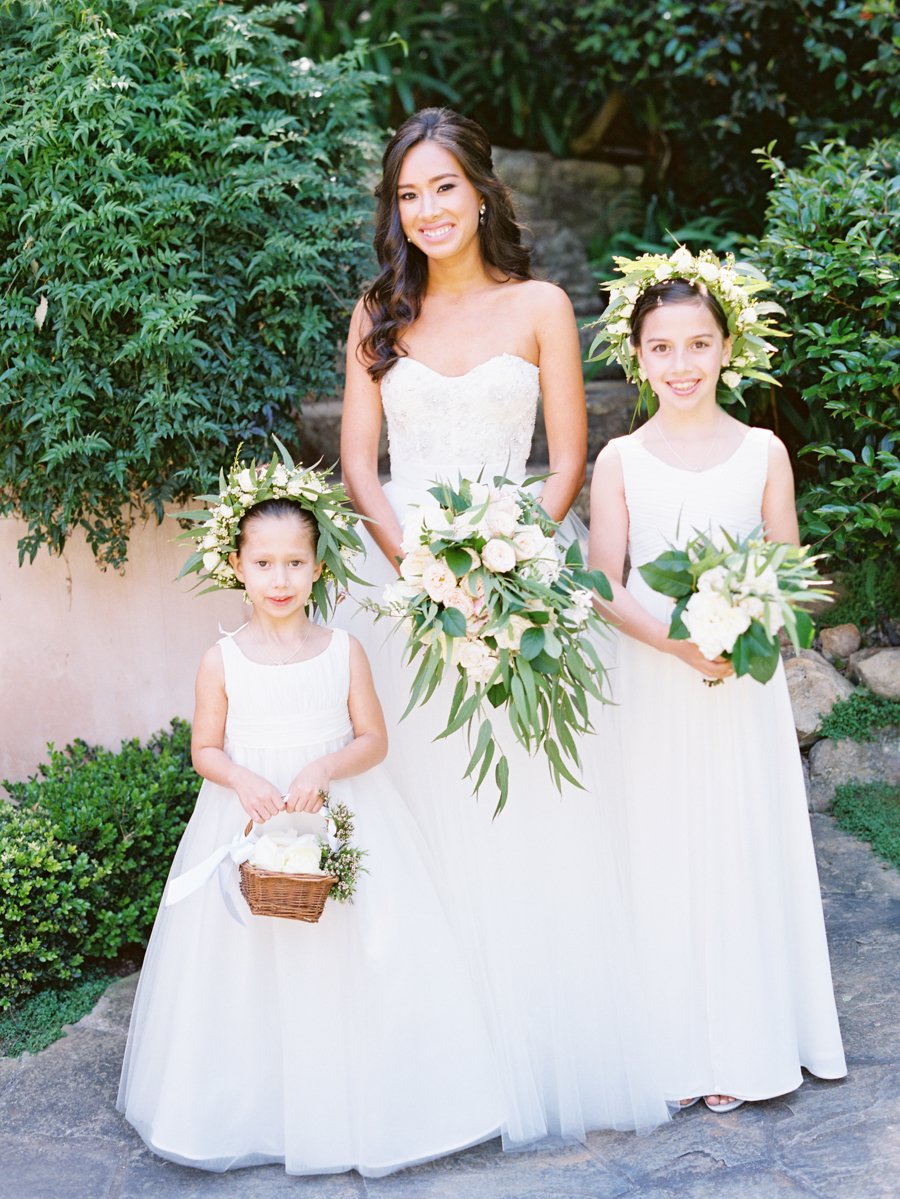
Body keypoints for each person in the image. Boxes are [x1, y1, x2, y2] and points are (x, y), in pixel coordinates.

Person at [336, 106, 671, 1143]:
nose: (429, 209)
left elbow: (566, 459)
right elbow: (359, 464)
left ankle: (527, 1041)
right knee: (412, 809)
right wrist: (425, 572)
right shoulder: (376, 313)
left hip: (519, 576)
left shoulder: (540, 305)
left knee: (524, 810)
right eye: (409, 194)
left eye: (444, 187)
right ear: (396, 209)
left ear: (482, 191)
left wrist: (509, 562)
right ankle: (420, 1059)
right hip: (405, 586)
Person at [117, 452, 504, 1176]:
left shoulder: (343, 650)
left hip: (341, 815)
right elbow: (204, 746)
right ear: (236, 564)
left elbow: (374, 738)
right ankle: (263, 1106)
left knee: (351, 953)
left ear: (319, 567)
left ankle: (364, 1101)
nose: (280, 579)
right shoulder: (221, 658)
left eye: (295, 562)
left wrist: (325, 765)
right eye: (264, 563)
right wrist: (240, 776)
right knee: (250, 968)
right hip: (250, 815)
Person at [588, 252, 847, 1112]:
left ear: (729, 346)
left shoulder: (763, 452)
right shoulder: (621, 459)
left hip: (740, 684)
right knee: (661, 848)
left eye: (700, 343)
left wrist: (752, 625)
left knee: (739, 846)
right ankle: (673, 1051)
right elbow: (603, 582)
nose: (684, 363)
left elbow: (791, 567)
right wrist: (676, 643)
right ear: (639, 357)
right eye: (663, 348)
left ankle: (747, 1039)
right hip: (658, 678)